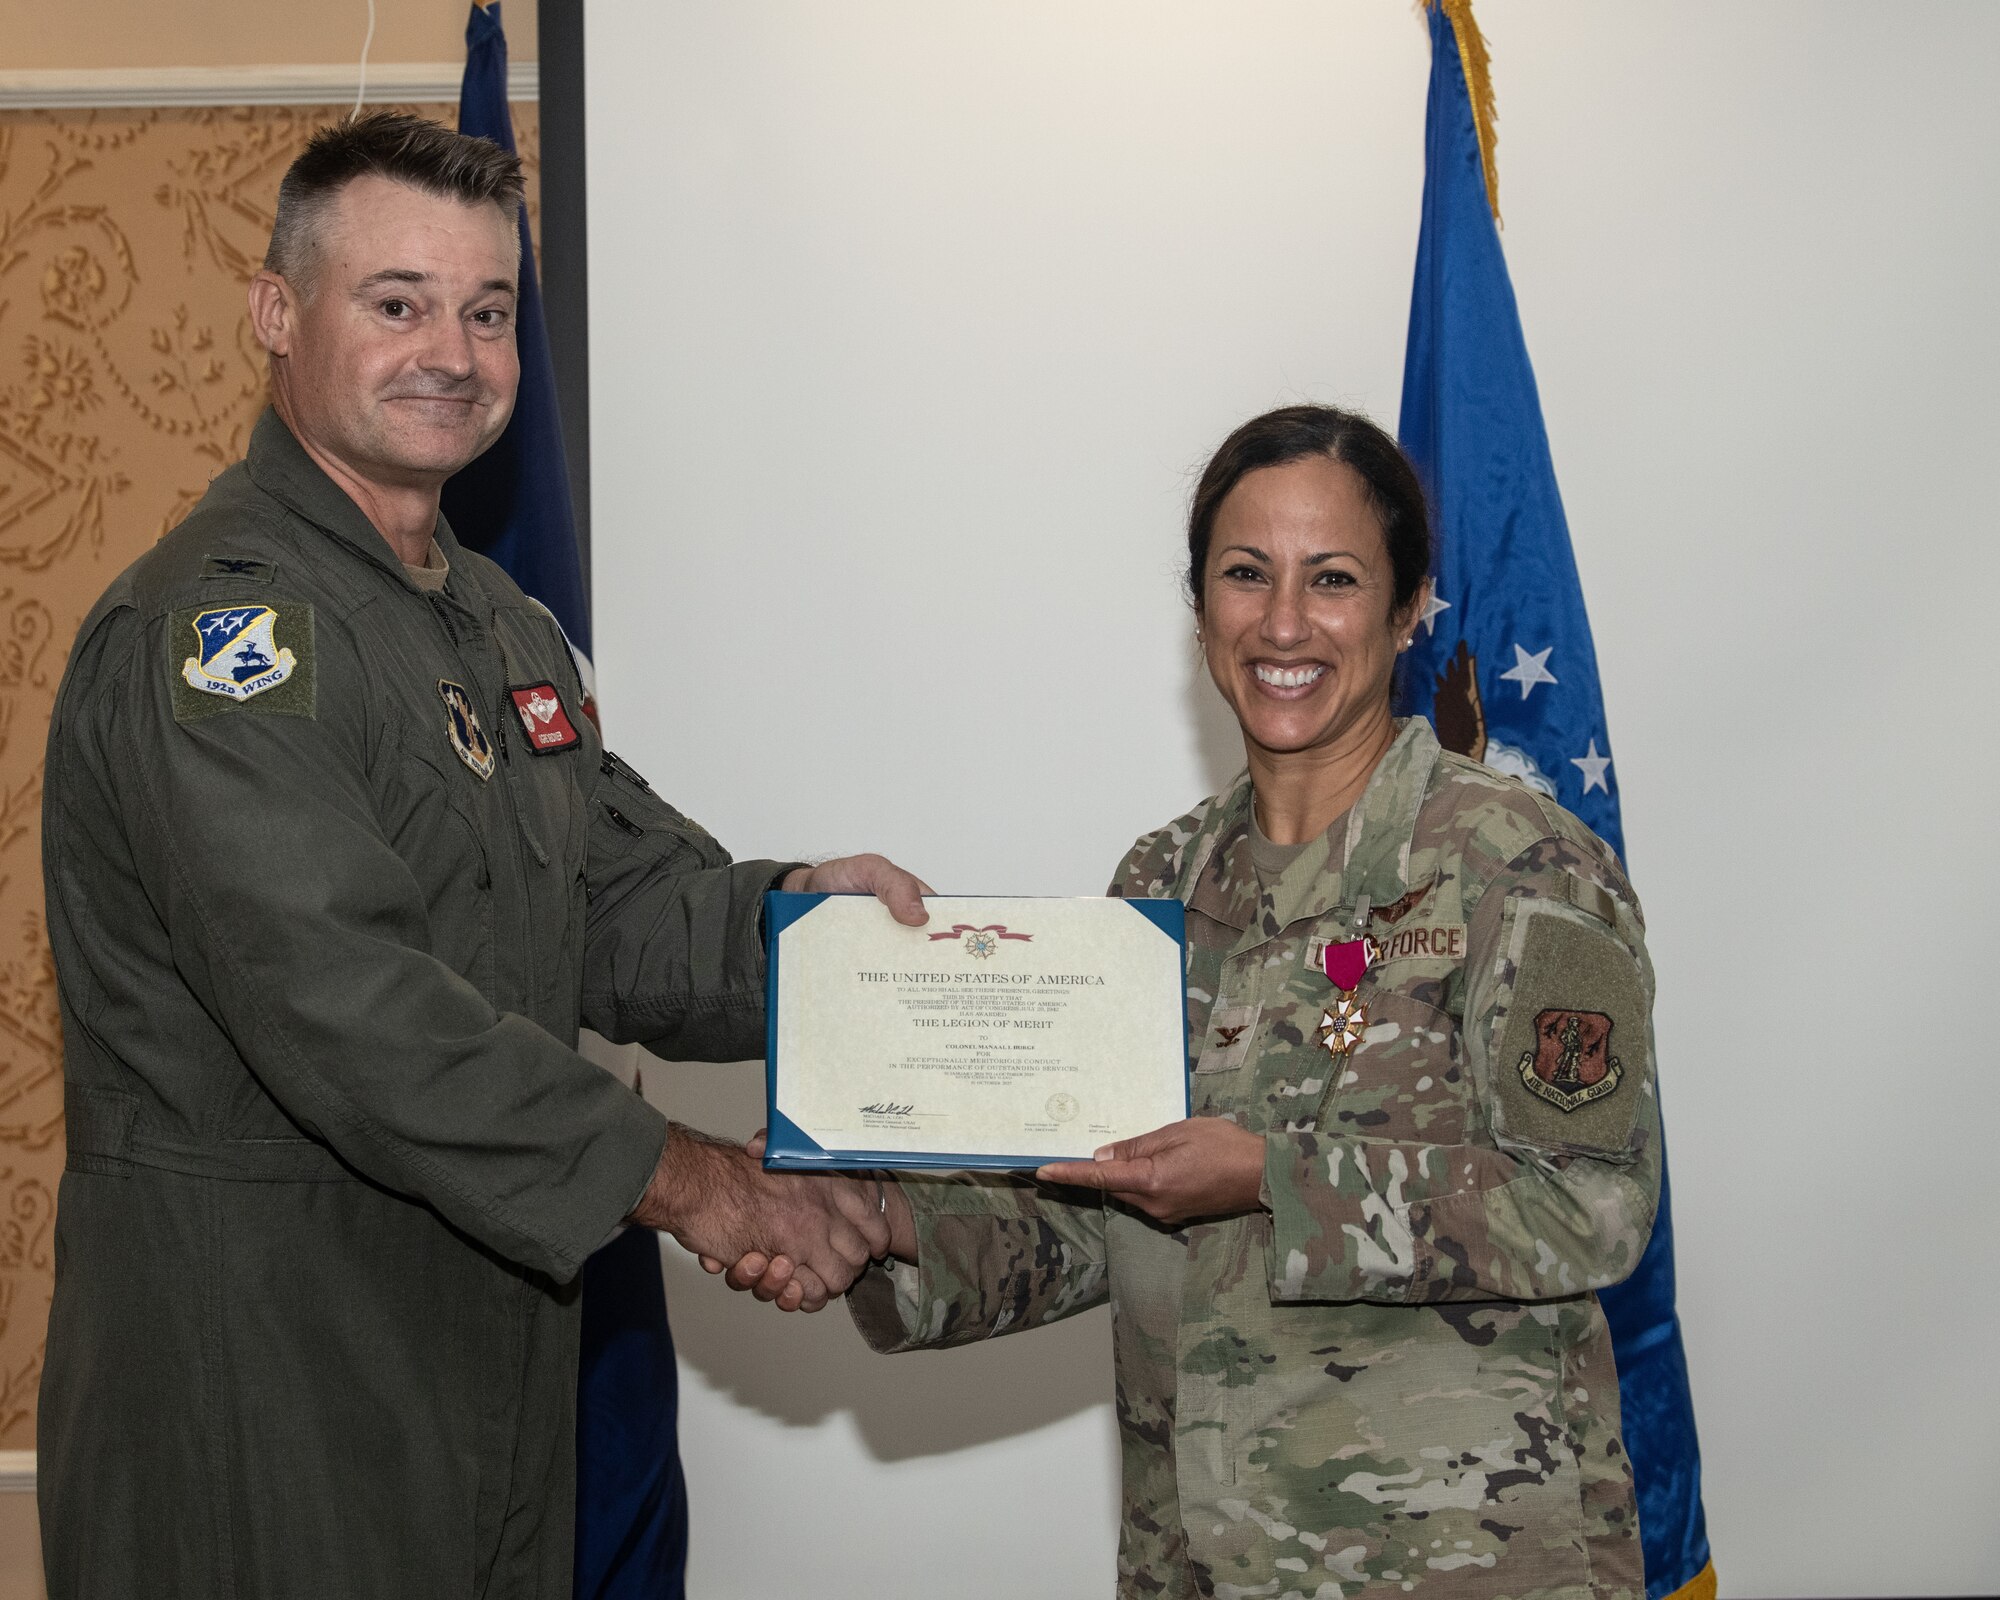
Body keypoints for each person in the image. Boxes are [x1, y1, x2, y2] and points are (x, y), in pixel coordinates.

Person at [37, 112, 919, 1598]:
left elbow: (620, 903)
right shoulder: (222, 640)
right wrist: (703, 1184)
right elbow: (354, 1010)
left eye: (488, 310)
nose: (450, 348)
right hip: (264, 1395)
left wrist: (811, 935)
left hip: (484, 1376)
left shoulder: (500, 626)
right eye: (397, 302)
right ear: (277, 314)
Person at [720, 405, 1661, 1598]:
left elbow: (1590, 1200)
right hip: (1197, 1559)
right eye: (1243, 574)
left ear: (1410, 603)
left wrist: (1271, 1175)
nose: (1282, 622)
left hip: (1458, 1563)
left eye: (1331, 579)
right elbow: (1098, 1214)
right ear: (1199, 606)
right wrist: (875, 1217)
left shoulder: (1519, 865)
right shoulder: (1157, 886)